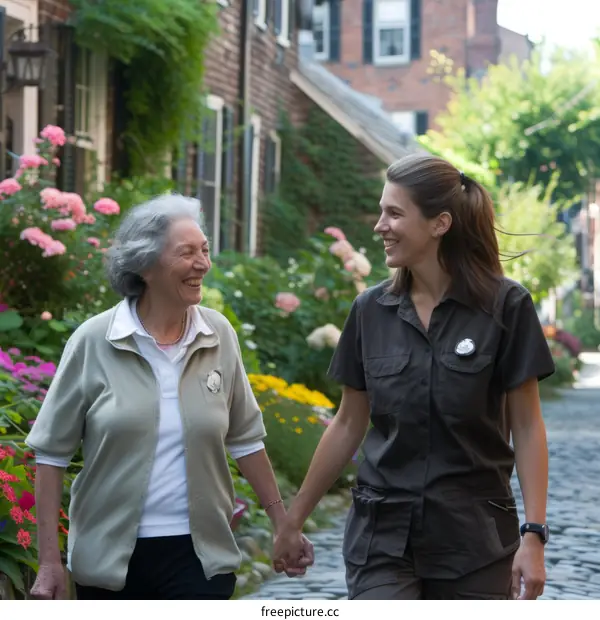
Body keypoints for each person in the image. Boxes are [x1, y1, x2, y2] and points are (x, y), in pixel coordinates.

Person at [272, 154, 553, 600]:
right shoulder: (369, 311)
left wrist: (534, 535)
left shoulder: (506, 307)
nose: (379, 225)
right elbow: (348, 423)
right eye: (382, 211)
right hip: (382, 538)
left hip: (475, 540)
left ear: (440, 224)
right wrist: (293, 520)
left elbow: (527, 425)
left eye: (394, 213)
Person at [25, 194, 313, 600]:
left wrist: (283, 522)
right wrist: (49, 562)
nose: (203, 264)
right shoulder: (94, 340)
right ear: (145, 266)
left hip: (200, 557)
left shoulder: (218, 336)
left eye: (205, 250)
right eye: (187, 253)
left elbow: (246, 440)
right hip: (111, 561)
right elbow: (51, 455)